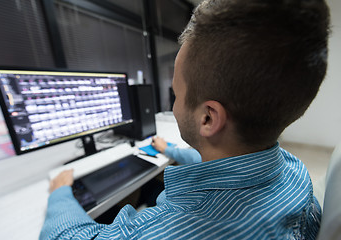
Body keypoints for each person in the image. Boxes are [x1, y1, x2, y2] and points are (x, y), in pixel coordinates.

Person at [40, 0, 330, 239]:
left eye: (176, 94)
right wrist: (170, 150)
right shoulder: (295, 172)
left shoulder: (175, 230)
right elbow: (229, 167)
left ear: (207, 118)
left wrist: (61, 192)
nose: (174, 104)